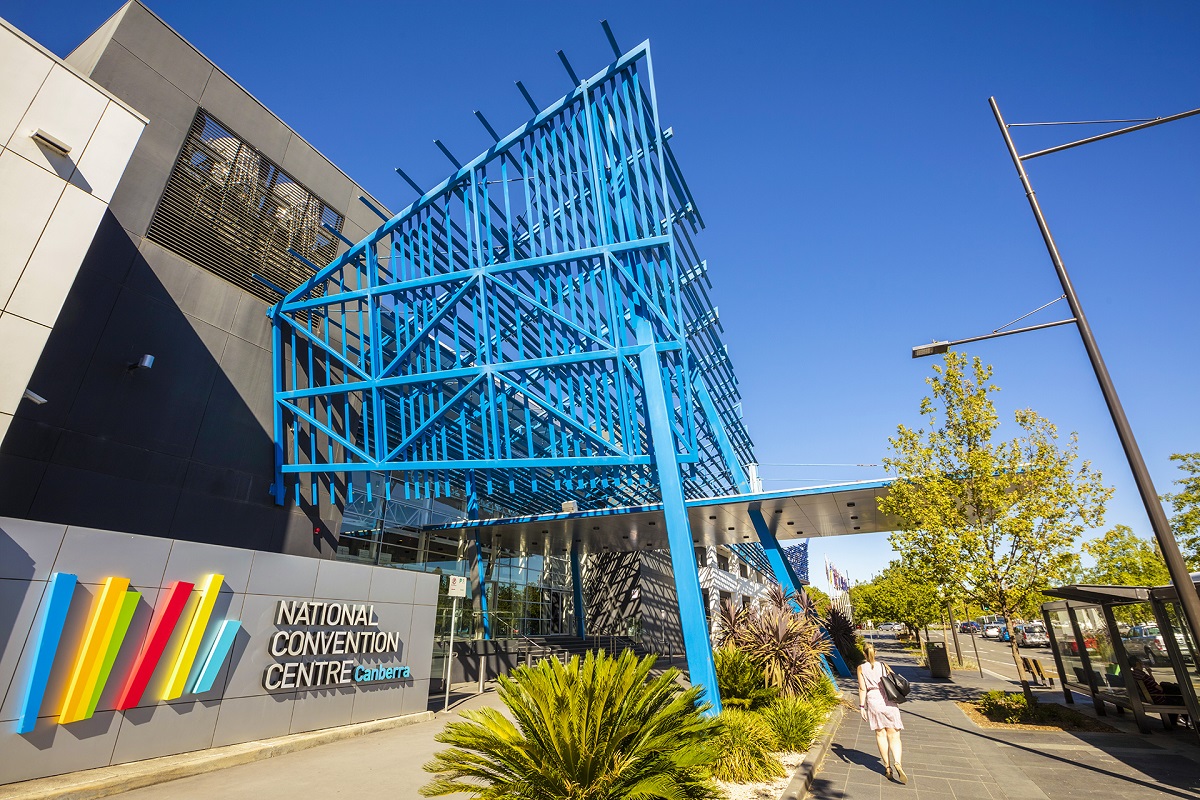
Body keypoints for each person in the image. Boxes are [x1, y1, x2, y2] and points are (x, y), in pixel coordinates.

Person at [857, 641, 907, 783]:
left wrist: (862, 707)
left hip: (874, 702)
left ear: (864, 654)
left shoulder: (861, 668)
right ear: (875, 653)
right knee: (895, 735)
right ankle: (898, 761)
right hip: (889, 701)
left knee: (881, 734)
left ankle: (887, 767)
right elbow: (895, 680)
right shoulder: (884, 666)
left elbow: (862, 689)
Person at [1128, 655, 1190, 728]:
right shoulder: (1142, 675)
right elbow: (1159, 688)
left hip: (1148, 696)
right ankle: (1183, 720)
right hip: (1157, 697)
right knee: (1178, 696)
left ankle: (1178, 720)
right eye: (1140, 662)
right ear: (1137, 663)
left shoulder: (1134, 674)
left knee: (1172, 689)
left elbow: (1151, 682)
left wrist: (1150, 673)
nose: (1142, 663)